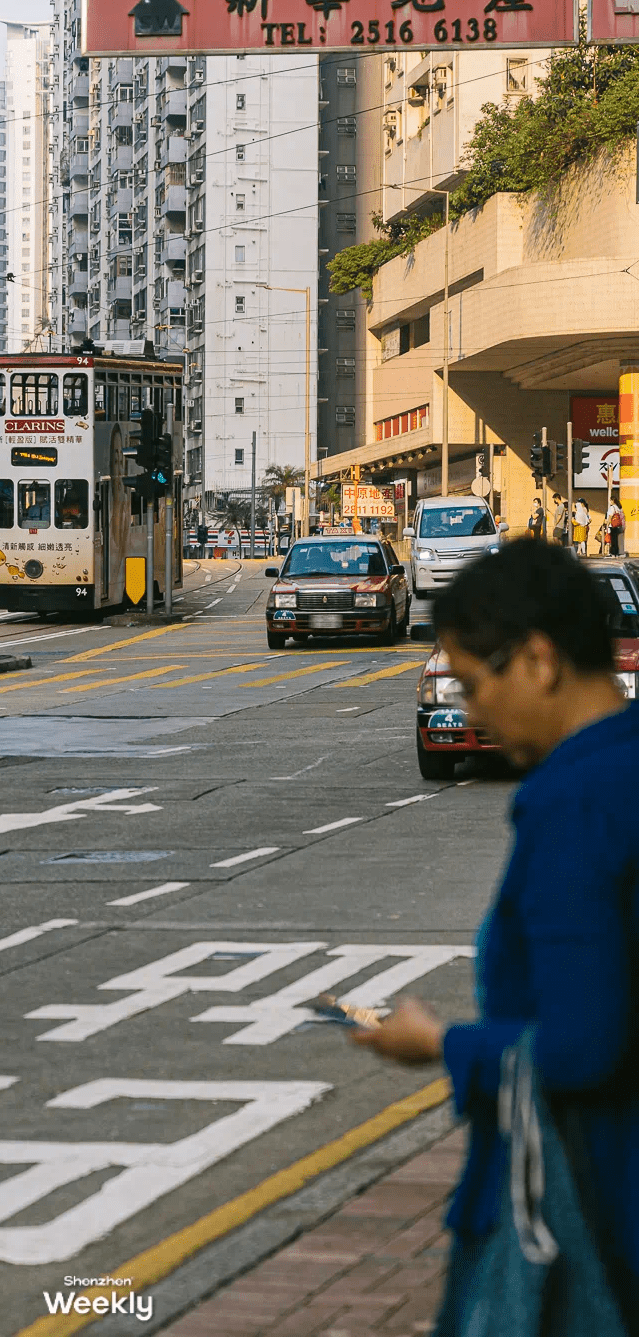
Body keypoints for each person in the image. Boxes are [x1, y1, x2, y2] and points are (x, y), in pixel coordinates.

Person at [353, 539, 639, 1331]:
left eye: (476, 683)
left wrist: (442, 1045)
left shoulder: (571, 801)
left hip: (588, 1196)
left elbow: (584, 1048)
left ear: (540, 659)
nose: (471, 709)